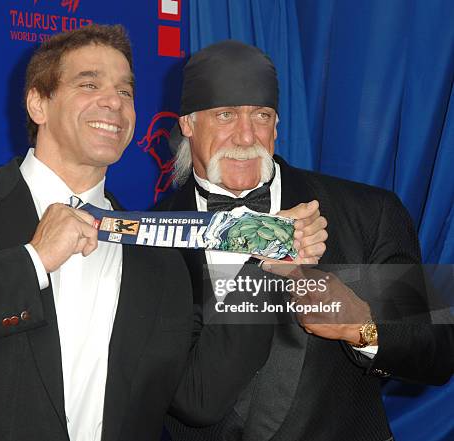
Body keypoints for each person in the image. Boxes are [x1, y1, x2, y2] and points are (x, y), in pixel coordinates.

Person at [0, 27, 327, 441]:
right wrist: (34, 260)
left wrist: (263, 272)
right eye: (89, 84)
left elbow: (198, 398)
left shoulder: (157, 250)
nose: (114, 102)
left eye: (126, 92)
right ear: (38, 103)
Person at [160, 41, 453, 441]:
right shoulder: (152, 239)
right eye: (225, 115)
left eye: (261, 116)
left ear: (277, 126)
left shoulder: (365, 213)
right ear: (188, 125)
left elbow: (435, 351)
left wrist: (362, 326)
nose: (246, 136)